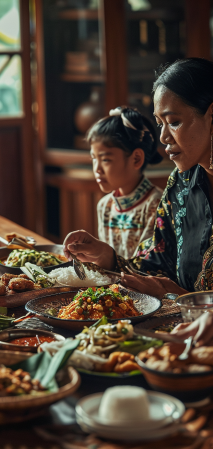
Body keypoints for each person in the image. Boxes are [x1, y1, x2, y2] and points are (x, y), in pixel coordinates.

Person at [63, 58, 213, 299]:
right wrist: (107, 257)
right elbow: (158, 261)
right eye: (159, 123)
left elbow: (175, 292)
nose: (164, 137)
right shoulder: (181, 184)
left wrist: (182, 298)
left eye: (174, 122)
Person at [87, 107, 163, 259]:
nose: (97, 169)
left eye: (105, 160)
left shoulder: (157, 205)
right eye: (94, 158)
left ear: (136, 159)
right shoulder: (105, 206)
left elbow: (148, 267)